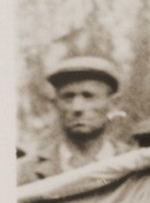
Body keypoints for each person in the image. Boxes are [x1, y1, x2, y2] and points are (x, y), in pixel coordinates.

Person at [18, 55, 133, 183]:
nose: (77, 108)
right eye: (68, 97)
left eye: (88, 96)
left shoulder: (135, 163)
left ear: (113, 104)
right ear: (55, 104)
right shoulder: (25, 172)